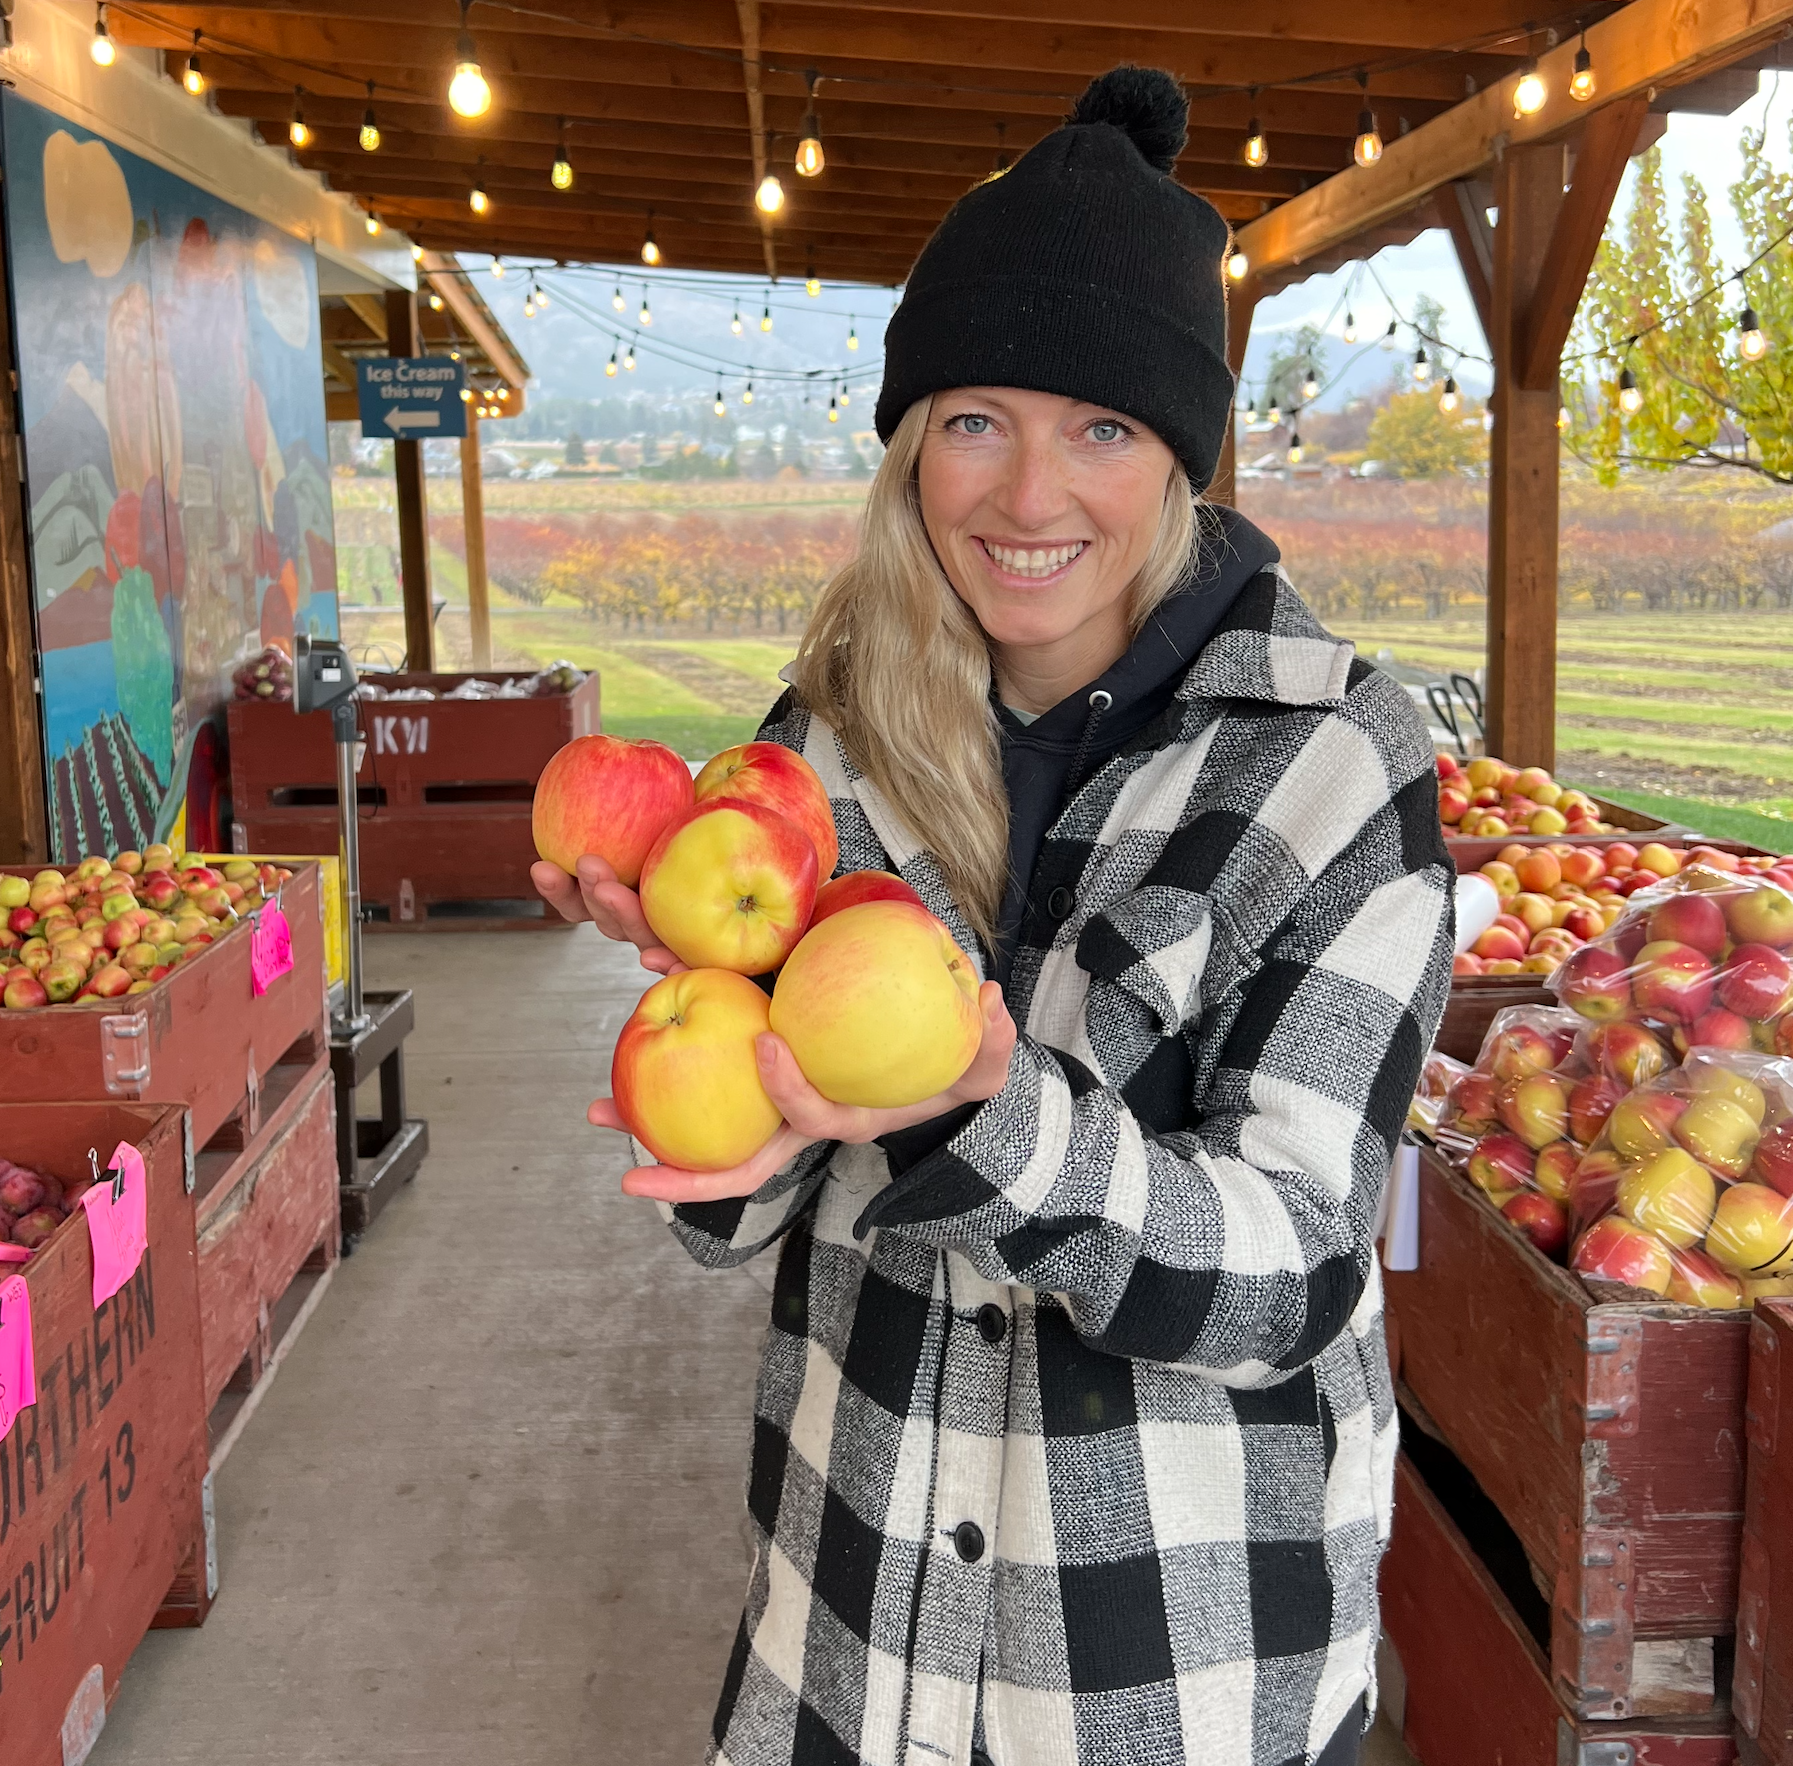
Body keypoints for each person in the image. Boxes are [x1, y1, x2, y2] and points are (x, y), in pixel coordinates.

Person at [534, 65, 1452, 1766]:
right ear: (910, 441)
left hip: (1164, 1673)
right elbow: (757, 1212)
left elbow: (1297, 1271)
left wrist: (985, 1104)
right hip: (851, 1623)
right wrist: (703, 1026)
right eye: (977, 418)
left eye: (1101, 426)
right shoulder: (826, 738)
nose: (1030, 498)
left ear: (1179, 453)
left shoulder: (1334, 766)